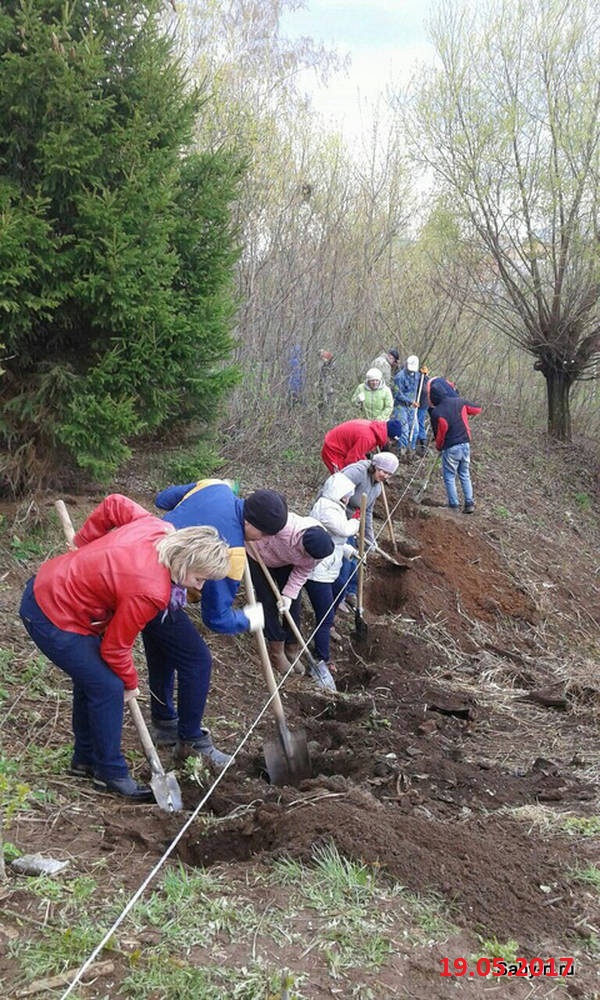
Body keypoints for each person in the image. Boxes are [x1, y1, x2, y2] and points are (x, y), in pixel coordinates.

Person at [19, 495, 230, 801]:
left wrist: (84, 541)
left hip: (65, 597)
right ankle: (111, 774)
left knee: (92, 679)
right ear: (185, 561)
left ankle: (85, 760)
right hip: (51, 611)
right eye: (200, 578)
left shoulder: (158, 528)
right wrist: (130, 684)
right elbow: (116, 648)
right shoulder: (150, 589)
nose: (200, 587)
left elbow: (115, 503)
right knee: (108, 685)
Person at [146, 480, 288, 767]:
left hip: (142, 561)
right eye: (261, 536)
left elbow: (163, 498)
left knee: (164, 649)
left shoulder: (216, 486)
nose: (260, 542)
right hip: (157, 589)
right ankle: (191, 740)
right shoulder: (232, 551)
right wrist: (249, 617)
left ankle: (164, 723)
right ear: (251, 524)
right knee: (197, 660)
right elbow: (216, 618)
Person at [247, 515, 334, 674]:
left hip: (284, 561)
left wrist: (288, 595)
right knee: (267, 600)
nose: (310, 559)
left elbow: (302, 571)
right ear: (302, 545)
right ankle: (276, 650)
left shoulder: (316, 554)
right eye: (306, 555)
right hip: (257, 553)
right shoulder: (285, 528)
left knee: (293, 602)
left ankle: (291, 647)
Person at [304, 473, 359, 670]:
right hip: (317, 571)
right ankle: (322, 658)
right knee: (325, 615)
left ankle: (327, 629)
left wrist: (350, 551)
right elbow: (344, 530)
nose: (348, 498)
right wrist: (356, 522)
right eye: (346, 494)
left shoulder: (335, 507)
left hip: (329, 566)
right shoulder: (326, 508)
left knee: (341, 588)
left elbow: (335, 541)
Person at [333, 452, 400, 610]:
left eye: (389, 474)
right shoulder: (357, 472)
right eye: (383, 471)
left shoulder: (377, 486)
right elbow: (333, 490)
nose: (385, 475)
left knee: (356, 559)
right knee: (346, 561)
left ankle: (351, 592)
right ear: (375, 466)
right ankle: (338, 598)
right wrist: (339, 521)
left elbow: (367, 513)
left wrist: (370, 539)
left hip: (348, 520)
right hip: (334, 516)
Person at [429, 381, 481, 513]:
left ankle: (454, 505)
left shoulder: (437, 412)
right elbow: (477, 409)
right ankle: (469, 503)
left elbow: (441, 432)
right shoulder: (459, 402)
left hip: (451, 447)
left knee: (450, 476)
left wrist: (439, 446)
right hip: (465, 444)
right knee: (464, 474)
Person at [321, 418, 403, 473]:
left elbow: (358, 454)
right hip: (333, 450)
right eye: (391, 440)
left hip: (342, 449)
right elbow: (351, 460)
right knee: (342, 479)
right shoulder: (368, 438)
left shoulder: (375, 429)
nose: (390, 443)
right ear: (387, 435)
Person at [392, 354, 428, 459]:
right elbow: (397, 394)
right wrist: (410, 401)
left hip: (413, 407)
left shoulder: (417, 375)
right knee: (404, 430)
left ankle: (411, 450)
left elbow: (424, 385)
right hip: (401, 406)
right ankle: (401, 451)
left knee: (415, 429)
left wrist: (424, 376)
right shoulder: (399, 377)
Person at [317, 349, 336, 413]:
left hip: (328, 385)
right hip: (323, 385)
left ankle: (329, 411)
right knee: (323, 399)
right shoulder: (322, 363)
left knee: (329, 398)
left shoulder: (329, 363)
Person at [287, 343, 306, 407]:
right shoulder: (301, 362)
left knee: (291, 403)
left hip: (292, 388)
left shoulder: (293, 361)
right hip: (297, 388)